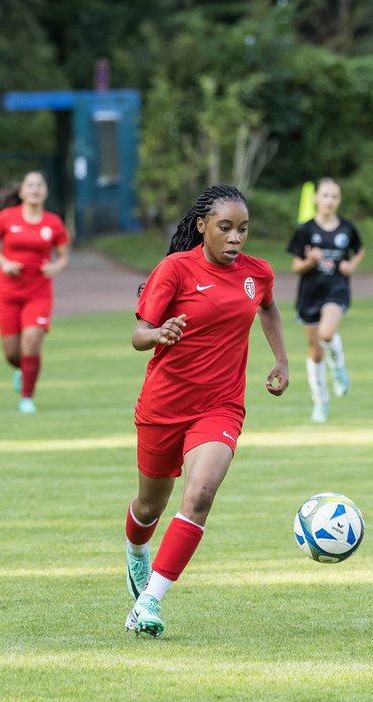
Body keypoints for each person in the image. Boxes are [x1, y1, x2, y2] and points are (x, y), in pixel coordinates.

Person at [122, 184, 289, 636]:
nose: (236, 238)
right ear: (202, 227)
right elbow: (139, 334)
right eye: (226, 228)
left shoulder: (258, 274)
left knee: (199, 496)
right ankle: (136, 553)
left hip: (220, 407)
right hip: (164, 406)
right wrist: (158, 335)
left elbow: (267, 308)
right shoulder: (174, 270)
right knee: (149, 506)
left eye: (243, 230)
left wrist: (280, 358)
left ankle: (149, 603)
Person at [0, 171, 70, 414]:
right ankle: (22, 370)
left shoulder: (53, 223)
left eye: (40, 185)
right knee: (12, 352)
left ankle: (26, 397)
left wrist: (55, 267)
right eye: (30, 185)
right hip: (7, 291)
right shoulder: (7, 217)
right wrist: (4, 262)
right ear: (21, 192)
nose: (35, 189)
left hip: (38, 291)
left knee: (32, 341)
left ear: (46, 191)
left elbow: (63, 256)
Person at [286, 178, 364, 423]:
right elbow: (296, 266)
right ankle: (320, 401)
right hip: (310, 295)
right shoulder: (306, 230)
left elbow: (359, 249)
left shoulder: (347, 229)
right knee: (315, 352)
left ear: (339, 200)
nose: (329, 201)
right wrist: (311, 261)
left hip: (336, 290)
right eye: (325, 195)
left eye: (334, 196)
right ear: (316, 199)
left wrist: (351, 265)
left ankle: (338, 367)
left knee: (327, 333)